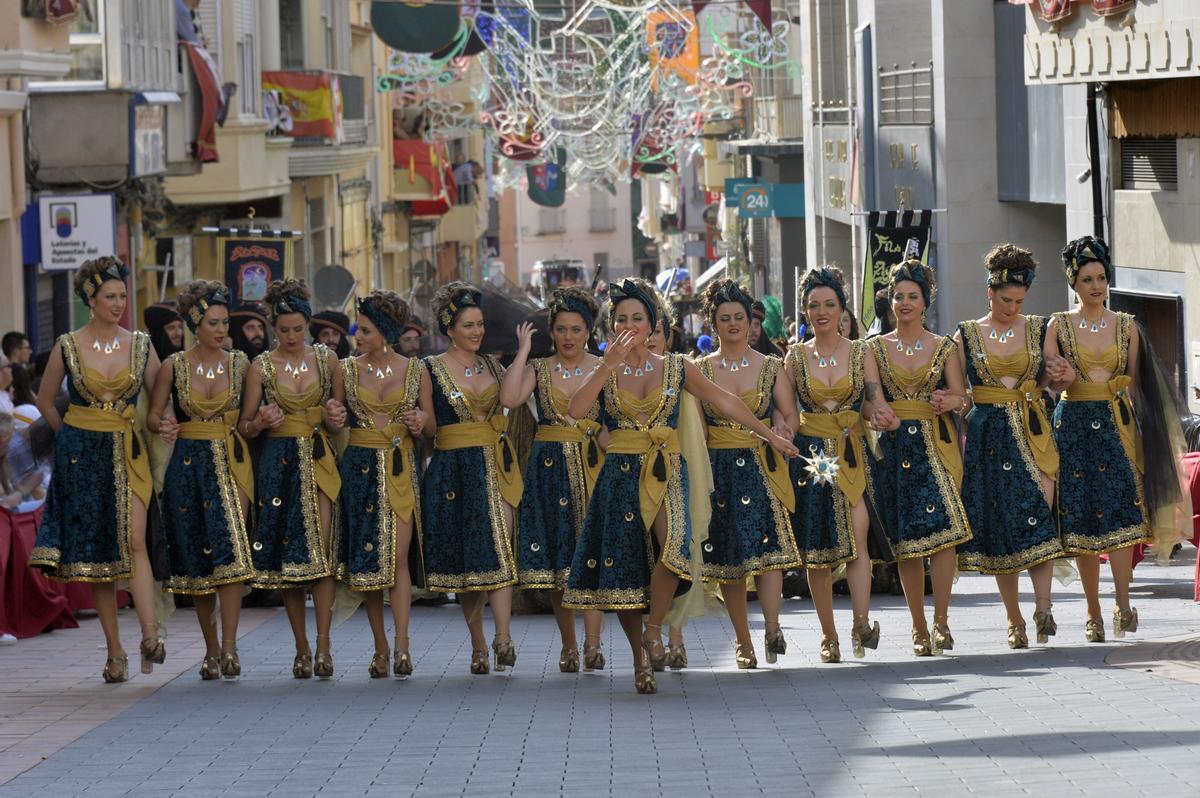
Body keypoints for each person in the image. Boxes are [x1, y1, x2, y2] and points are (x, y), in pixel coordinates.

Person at [563, 278, 797, 694]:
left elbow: (726, 401)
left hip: (667, 470)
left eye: (638, 318)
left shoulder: (676, 367)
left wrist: (770, 435)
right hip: (619, 475)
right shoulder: (605, 368)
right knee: (627, 571)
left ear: (653, 323)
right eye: (621, 319)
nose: (630, 326)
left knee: (676, 549)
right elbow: (576, 410)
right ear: (612, 326)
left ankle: (654, 629)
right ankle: (641, 662)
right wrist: (606, 365)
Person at [28, 256, 163, 682]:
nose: (119, 303)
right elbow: (44, 400)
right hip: (82, 456)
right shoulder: (68, 344)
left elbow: (161, 400)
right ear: (91, 299)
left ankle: (150, 635)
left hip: (129, 451)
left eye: (122, 295)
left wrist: (164, 422)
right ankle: (114, 650)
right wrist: (69, 437)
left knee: (135, 539)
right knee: (99, 553)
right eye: (110, 296)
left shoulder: (141, 344)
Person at [1047, 236, 1189, 641]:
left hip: (1117, 428)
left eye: (1102, 277)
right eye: (1087, 279)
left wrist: (1151, 440)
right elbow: (1049, 383)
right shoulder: (1057, 325)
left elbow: (1140, 388)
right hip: (1072, 427)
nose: (1096, 286)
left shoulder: (1127, 326)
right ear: (1074, 283)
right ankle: (1092, 612)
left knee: (1123, 520)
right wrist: (1062, 378)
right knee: (1082, 525)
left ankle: (1123, 604)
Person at [782, 266, 897, 663]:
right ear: (804, 311)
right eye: (813, 305)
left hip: (851, 453)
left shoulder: (861, 352)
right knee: (818, 548)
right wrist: (780, 428)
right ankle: (828, 634)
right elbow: (784, 409)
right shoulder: (795, 356)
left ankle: (860, 624)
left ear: (842, 309)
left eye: (829, 304)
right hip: (815, 457)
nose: (822, 312)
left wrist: (881, 414)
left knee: (857, 536)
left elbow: (873, 400)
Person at [955, 244, 1067, 648]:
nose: (1013, 308)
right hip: (988, 437)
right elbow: (960, 395)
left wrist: (1061, 372)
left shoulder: (1040, 327)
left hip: (1033, 429)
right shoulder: (966, 334)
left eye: (1020, 301)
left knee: (1038, 518)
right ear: (990, 292)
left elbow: (1057, 378)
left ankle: (1043, 608)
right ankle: (1013, 618)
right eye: (1006, 300)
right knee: (1002, 529)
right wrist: (950, 401)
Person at [239, 279, 346, 679]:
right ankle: (301, 646)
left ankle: (324, 645)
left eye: (298, 329)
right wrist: (260, 422)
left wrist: (335, 417)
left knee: (323, 554)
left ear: (308, 325)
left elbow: (339, 419)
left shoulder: (327, 360)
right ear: (273, 327)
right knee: (290, 561)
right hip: (278, 465)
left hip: (320, 462)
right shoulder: (260, 367)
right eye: (283, 330)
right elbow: (244, 426)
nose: (291, 337)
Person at [147, 281, 253, 680]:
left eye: (225, 322)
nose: (222, 329)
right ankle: (210, 650)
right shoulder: (173, 366)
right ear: (195, 324)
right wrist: (164, 424)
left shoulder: (241, 364)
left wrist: (261, 421)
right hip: (187, 467)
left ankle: (231, 647)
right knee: (199, 561)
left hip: (232, 464)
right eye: (213, 323)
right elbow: (153, 415)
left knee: (231, 555)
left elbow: (250, 418)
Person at [866, 256, 972, 656]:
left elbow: (964, 398)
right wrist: (878, 413)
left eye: (912, 296)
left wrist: (951, 401)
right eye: (898, 296)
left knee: (944, 539)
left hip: (936, 447)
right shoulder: (873, 348)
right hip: (893, 452)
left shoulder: (944, 347)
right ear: (890, 302)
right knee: (907, 543)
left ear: (925, 301)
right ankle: (918, 626)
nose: (905, 303)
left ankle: (941, 621)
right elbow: (870, 398)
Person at [500, 286, 606, 673]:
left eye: (576, 329)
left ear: (588, 331)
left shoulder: (603, 366)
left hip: (593, 466)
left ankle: (593, 644)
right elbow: (509, 399)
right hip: (548, 471)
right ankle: (569, 645)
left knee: (591, 558)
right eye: (561, 329)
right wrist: (523, 351)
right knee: (561, 566)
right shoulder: (539, 368)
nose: (568, 337)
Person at [696, 279, 801, 668]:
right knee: (731, 563)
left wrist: (784, 427)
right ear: (714, 323)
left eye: (739, 317)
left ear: (750, 321)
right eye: (724, 318)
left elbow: (790, 413)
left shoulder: (771, 366)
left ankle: (772, 629)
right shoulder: (700, 370)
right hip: (718, 472)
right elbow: (698, 429)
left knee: (769, 555)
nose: (733, 324)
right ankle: (743, 640)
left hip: (761, 466)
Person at [418, 282, 522, 674]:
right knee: (467, 562)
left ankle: (503, 637)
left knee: (501, 549)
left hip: (495, 465)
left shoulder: (494, 366)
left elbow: (512, 402)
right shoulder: (429, 369)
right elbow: (430, 429)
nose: (477, 332)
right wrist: (419, 421)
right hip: (452, 469)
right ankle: (478, 642)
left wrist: (524, 351)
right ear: (450, 328)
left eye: (479, 324)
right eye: (468, 325)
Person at [338, 290, 431, 678]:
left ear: (386, 333)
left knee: (398, 558)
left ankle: (403, 646)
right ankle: (380, 646)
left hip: (399, 466)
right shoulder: (344, 370)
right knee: (370, 560)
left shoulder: (415, 370)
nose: (358, 336)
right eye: (358, 329)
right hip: (359, 469)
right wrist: (333, 414)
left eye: (366, 330)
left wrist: (420, 422)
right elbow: (335, 419)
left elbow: (430, 424)